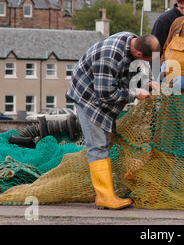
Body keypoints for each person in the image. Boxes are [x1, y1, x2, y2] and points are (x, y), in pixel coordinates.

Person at [66, 32, 160, 210]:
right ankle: (104, 197)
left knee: (104, 143)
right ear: (139, 53)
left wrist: (147, 82)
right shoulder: (109, 57)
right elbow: (106, 94)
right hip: (89, 97)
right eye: (147, 60)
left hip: (101, 92)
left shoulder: (131, 40)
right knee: (97, 144)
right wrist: (135, 93)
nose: (146, 63)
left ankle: (107, 192)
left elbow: (133, 70)